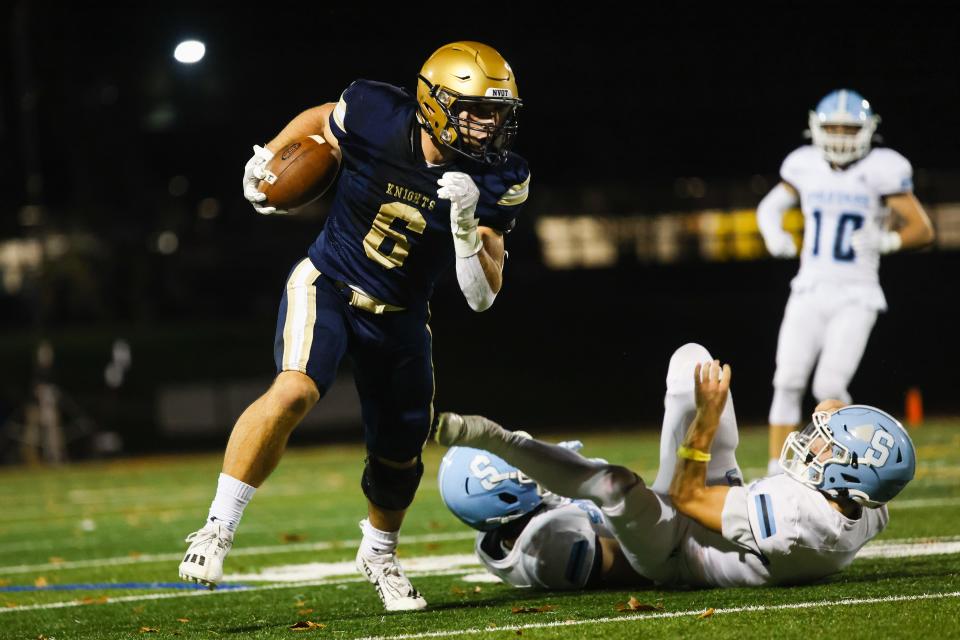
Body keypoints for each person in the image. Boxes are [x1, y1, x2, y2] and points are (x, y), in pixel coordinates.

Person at [177, 41, 530, 612]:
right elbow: (323, 120)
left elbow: (483, 296)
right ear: (436, 104)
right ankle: (217, 527)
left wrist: (466, 228)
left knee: (400, 452)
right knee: (294, 388)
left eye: (498, 113)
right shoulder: (375, 111)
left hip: (402, 314)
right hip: (331, 282)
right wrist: (271, 152)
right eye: (475, 111)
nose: (489, 126)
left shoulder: (500, 177)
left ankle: (379, 552)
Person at [435, 343, 916, 588]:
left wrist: (706, 420)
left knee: (617, 485)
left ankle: (496, 438)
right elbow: (832, 410)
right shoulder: (865, 501)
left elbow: (686, 498)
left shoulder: (794, 521)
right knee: (692, 359)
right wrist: (856, 428)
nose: (815, 443)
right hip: (723, 517)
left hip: (678, 553)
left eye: (829, 449)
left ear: (846, 476)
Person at [756, 89, 934, 476]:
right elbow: (769, 206)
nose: (839, 134)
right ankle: (775, 471)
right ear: (816, 128)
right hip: (809, 287)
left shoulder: (883, 168)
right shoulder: (803, 165)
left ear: (868, 131)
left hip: (857, 293)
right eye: (832, 127)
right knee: (786, 379)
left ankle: (839, 462)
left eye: (847, 127)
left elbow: (923, 229)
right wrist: (773, 234)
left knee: (829, 385)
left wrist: (887, 240)